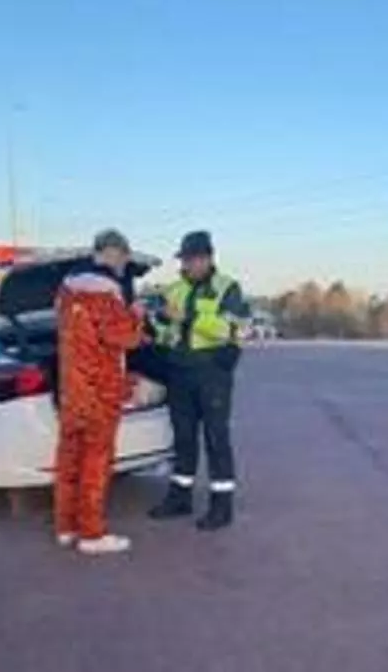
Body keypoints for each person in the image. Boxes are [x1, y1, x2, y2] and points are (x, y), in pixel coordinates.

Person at [148, 230, 251, 531]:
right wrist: (158, 321)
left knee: (216, 439)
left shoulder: (227, 287)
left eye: (193, 259)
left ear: (207, 258)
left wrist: (188, 317)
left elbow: (234, 330)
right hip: (179, 372)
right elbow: (163, 329)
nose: (187, 264)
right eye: (184, 259)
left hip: (212, 373)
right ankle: (180, 498)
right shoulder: (174, 289)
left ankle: (222, 507)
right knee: (183, 437)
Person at [53, 229, 147, 554]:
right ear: (113, 252)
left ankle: (66, 527)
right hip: (100, 389)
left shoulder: (66, 292)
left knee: (69, 457)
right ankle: (92, 535)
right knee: (96, 461)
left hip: (70, 389)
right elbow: (125, 338)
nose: (124, 265)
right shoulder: (105, 294)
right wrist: (137, 314)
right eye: (124, 257)